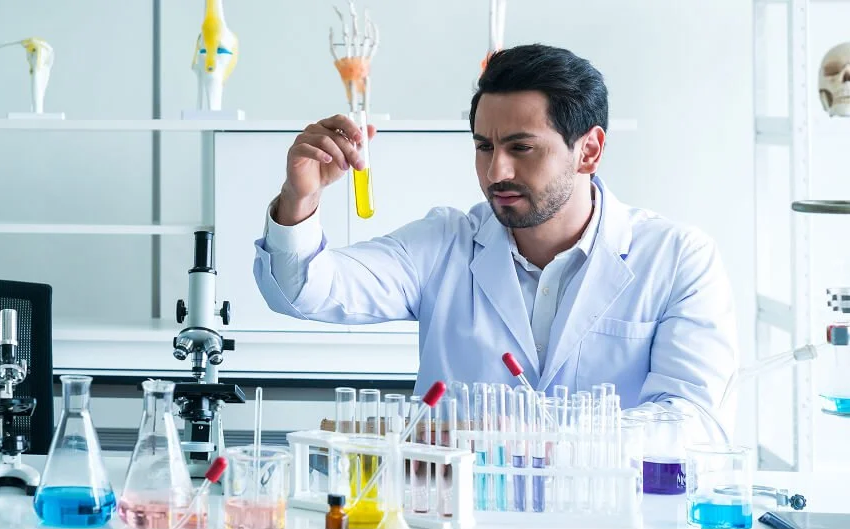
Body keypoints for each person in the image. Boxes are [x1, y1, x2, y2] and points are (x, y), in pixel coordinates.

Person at [253, 44, 738, 443]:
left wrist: (531, 439)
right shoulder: (444, 244)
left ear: (588, 150)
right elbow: (306, 291)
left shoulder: (677, 259)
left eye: (521, 148)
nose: (496, 171)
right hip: (464, 512)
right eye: (484, 146)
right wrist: (300, 198)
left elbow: (694, 425)